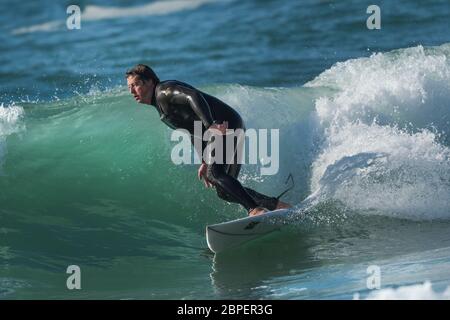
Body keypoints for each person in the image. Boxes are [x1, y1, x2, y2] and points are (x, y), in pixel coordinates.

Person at [126, 64, 291, 216]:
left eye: (135, 85)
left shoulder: (164, 91)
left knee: (215, 174)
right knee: (224, 191)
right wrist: (204, 160)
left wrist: (210, 124)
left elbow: (193, 96)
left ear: (149, 82)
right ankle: (277, 206)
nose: (132, 91)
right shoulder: (161, 108)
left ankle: (254, 209)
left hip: (225, 124)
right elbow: (192, 131)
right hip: (227, 127)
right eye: (129, 87)